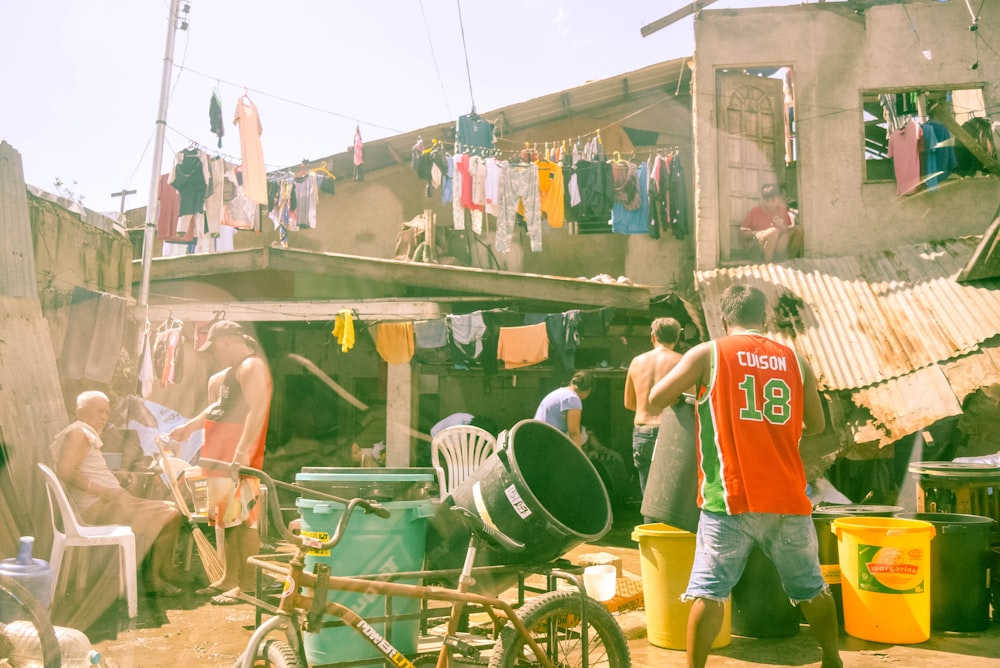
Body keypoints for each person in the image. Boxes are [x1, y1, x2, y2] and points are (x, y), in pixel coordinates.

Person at [647, 285, 841, 668]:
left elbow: (655, 398)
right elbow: (816, 424)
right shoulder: (796, 360)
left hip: (729, 498)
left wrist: (701, 392)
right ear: (765, 319)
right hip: (788, 497)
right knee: (811, 588)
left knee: (710, 592)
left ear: (723, 319)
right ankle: (832, 659)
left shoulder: (708, 353)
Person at [169, 320, 272, 606]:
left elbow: (257, 409)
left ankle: (248, 585)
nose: (213, 355)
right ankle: (228, 578)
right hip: (216, 455)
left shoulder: (251, 366)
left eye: (214, 348)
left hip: (235, 457)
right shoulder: (225, 375)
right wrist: (189, 427)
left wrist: (240, 454)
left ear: (226, 341)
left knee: (243, 522)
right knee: (225, 519)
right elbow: (216, 409)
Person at [51, 391, 185, 596]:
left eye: (106, 412)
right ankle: (154, 578)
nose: (104, 417)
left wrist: (117, 476)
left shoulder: (84, 432)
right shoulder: (78, 433)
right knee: (171, 515)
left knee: (170, 510)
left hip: (106, 503)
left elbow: (86, 470)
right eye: (99, 412)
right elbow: (64, 471)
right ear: (80, 412)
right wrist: (104, 491)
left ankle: (161, 571)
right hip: (97, 508)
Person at [624, 317, 684, 497]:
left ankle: (649, 525)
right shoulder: (683, 362)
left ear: (653, 337)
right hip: (672, 431)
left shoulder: (636, 362)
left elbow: (629, 403)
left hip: (643, 431)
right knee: (672, 497)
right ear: (677, 338)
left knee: (648, 497)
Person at [740, 183, 803, 263]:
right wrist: (756, 233)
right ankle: (768, 264)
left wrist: (782, 226)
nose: (770, 204)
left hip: (778, 247)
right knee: (773, 231)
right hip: (761, 249)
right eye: (767, 201)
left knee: (799, 229)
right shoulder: (754, 211)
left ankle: (788, 262)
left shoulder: (782, 211)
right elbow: (742, 233)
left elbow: (789, 232)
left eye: (773, 200)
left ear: (778, 199)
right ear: (762, 200)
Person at [533, 371, 593, 447]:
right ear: (589, 389)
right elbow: (574, 433)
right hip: (548, 441)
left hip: (537, 437)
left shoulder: (559, 392)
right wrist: (578, 457)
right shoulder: (572, 398)